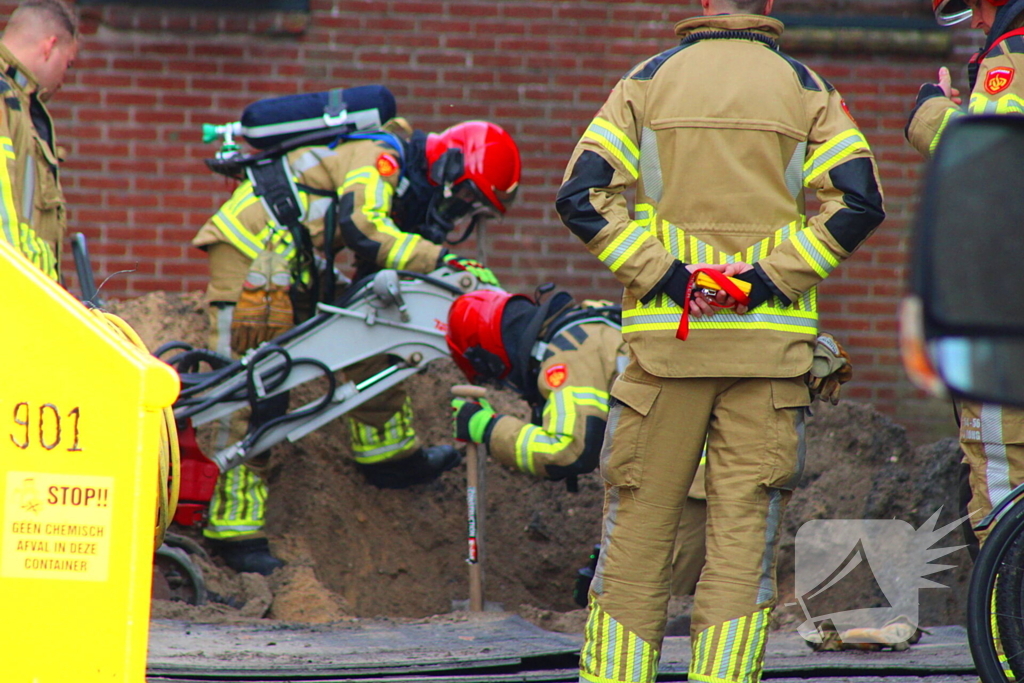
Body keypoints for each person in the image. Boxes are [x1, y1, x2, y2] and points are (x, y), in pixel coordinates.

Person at [554, 0, 885, 681]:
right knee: (741, 553)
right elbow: (859, 203)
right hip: (768, 360)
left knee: (637, 542)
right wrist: (765, 282)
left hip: (664, 355)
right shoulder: (806, 89)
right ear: (770, 4)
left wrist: (669, 278)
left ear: (703, 2)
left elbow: (582, 197)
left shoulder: (646, 83)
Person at [191, 118, 521, 574]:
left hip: (293, 257)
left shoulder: (403, 184)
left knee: (367, 327)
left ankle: (388, 456)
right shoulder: (378, 157)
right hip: (252, 254)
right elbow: (364, 228)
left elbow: (372, 261)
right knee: (255, 388)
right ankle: (233, 529)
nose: (460, 211)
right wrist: (440, 259)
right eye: (464, 197)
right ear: (447, 167)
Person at [444, 289, 852, 605]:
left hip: (687, 484)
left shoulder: (570, 348)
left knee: (651, 607)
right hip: (723, 470)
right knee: (722, 592)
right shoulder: (598, 317)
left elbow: (568, 449)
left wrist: (487, 426)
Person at [908, 1, 1024, 679]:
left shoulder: (1016, 52)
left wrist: (932, 116)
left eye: (971, 7)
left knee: (1007, 504)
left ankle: (1011, 659)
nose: (975, 22)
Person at [0, 0, 77, 280]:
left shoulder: (18, 101)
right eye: (68, 63)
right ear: (49, 46)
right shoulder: (6, 98)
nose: (63, 79)